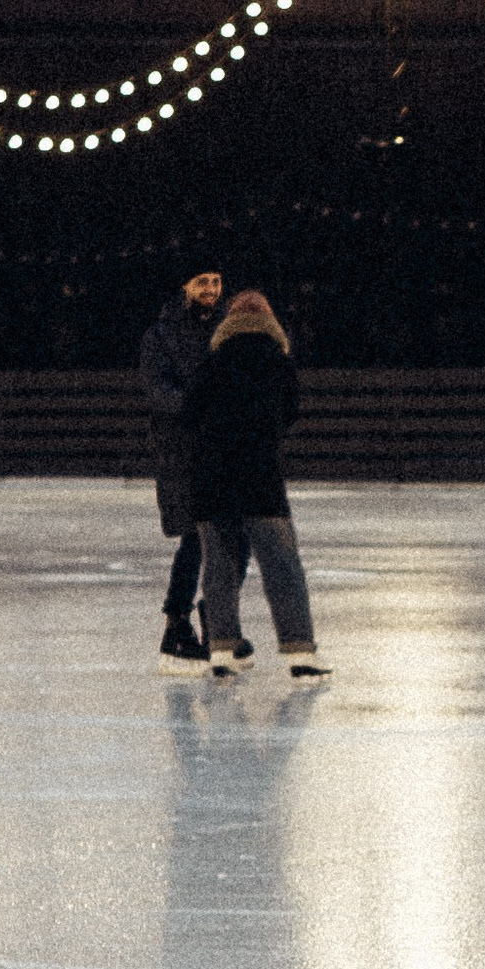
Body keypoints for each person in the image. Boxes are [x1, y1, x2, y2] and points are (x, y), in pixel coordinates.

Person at [184, 291, 327, 683]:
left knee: (220, 567)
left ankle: (221, 649)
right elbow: (291, 411)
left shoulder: (211, 363)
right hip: (259, 477)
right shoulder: (277, 362)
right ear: (270, 320)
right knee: (282, 566)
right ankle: (301, 652)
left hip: (212, 480)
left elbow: (190, 412)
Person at [139, 265, 230, 659]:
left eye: (216, 282)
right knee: (197, 536)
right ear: (185, 285)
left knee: (229, 537)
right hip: (181, 450)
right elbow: (158, 390)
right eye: (202, 283)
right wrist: (200, 407)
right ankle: (178, 621)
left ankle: (213, 616)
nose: (211, 289)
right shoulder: (161, 334)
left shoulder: (228, 329)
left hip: (222, 448)